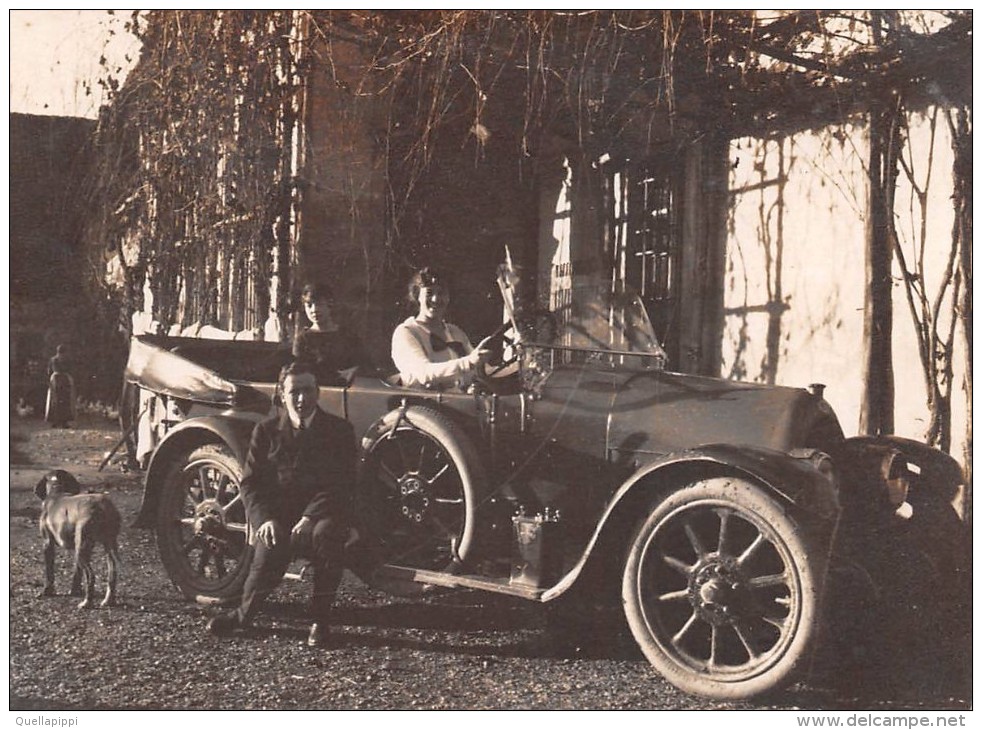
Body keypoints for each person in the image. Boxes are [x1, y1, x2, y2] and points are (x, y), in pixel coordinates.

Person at [206, 361, 358, 647]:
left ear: (318, 392)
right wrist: (265, 520)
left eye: (308, 390)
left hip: (324, 513)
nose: (302, 399)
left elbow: (341, 483)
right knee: (265, 556)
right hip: (280, 517)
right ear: (282, 394)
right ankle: (243, 616)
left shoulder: (338, 431)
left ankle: (320, 622)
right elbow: (250, 483)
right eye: (294, 391)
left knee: (327, 536)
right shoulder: (266, 431)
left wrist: (311, 517)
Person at [391, 267, 492, 389]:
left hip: (457, 402)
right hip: (422, 404)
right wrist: (468, 362)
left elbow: (482, 370)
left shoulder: (455, 332)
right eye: (429, 293)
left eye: (441, 293)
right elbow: (424, 373)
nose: (435, 299)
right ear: (418, 296)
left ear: (448, 297)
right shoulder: (406, 332)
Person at [292, 282, 364, 385]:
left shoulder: (347, 335)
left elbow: (363, 363)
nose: (314, 310)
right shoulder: (303, 339)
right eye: (309, 305)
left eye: (320, 304)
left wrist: (353, 371)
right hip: (316, 390)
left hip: (348, 389)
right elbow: (299, 372)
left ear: (330, 304)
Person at [45, 345, 75, 428]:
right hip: (57, 380)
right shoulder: (53, 360)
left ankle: (63, 421)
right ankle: (55, 420)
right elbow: (49, 371)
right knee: (56, 400)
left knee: (64, 400)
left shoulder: (65, 360)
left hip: (63, 380)